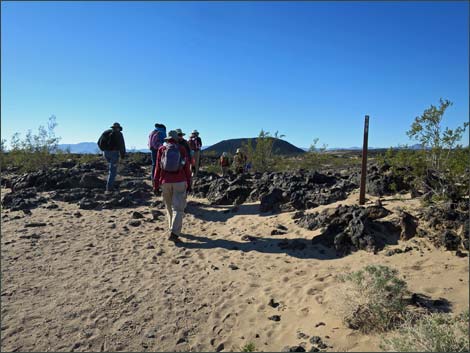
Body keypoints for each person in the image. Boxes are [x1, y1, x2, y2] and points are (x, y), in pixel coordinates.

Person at [153, 130, 192, 242]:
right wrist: (189, 183)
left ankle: (171, 227)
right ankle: (174, 233)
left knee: (169, 207)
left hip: (165, 182)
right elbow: (186, 168)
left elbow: (157, 168)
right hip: (180, 181)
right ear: (176, 139)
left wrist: (155, 185)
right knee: (178, 209)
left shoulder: (162, 149)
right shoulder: (182, 149)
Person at [97, 122, 126, 192]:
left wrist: (103, 150)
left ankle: (109, 184)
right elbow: (122, 145)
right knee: (113, 171)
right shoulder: (119, 134)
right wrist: (122, 156)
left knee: (111, 169)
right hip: (114, 153)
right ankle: (109, 188)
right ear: (118, 128)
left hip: (105, 153)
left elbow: (98, 142)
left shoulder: (106, 132)